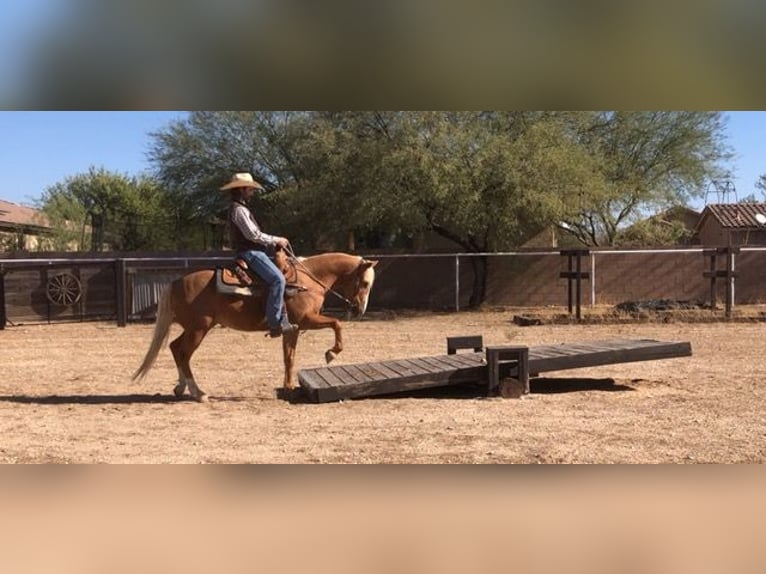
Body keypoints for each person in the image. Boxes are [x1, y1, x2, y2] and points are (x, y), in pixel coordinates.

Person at [220, 172, 297, 338]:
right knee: (278, 279)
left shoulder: (239, 208)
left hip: (253, 251)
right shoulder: (239, 209)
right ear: (242, 189)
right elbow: (253, 235)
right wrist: (277, 239)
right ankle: (274, 323)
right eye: (250, 189)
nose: (252, 192)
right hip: (251, 252)